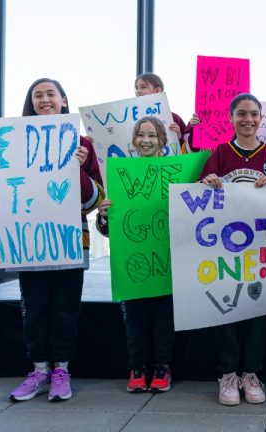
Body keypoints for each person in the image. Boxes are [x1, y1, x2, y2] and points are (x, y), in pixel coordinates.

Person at [0, 78, 105, 402]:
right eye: (38, 95)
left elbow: (94, 201)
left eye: (51, 94)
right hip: (27, 244)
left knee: (65, 308)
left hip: (68, 241)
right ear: (31, 102)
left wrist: (76, 168)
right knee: (34, 309)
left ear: (64, 100)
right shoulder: (8, 143)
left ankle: (62, 369)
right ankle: (39, 370)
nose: (45, 99)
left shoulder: (82, 144)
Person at [200, 93, 266, 406]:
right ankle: (228, 373)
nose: (248, 119)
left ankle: (250, 373)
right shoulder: (219, 152)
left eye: (254, 114)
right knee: (226, 307)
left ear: (261, 118)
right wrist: (208, 180)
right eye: (241, 114)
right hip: (225, 249)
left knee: (260, 308)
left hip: (262, 249)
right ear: (231, 118)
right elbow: (199, 195)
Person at [96, 117, 175, 393]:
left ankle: (163, 367)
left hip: (165, 262)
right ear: (133, 141)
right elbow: (106, 231)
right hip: (132, 263)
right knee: (135, 319)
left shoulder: (174, 173)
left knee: (164, 319)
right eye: (141, 135)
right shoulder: (120, 176)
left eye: (152, 136)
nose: (146, 140)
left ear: (162, 141)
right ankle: (138, 367)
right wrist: (104, 214)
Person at [133, 73, 201, 153]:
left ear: (157, 90)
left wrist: (178, 137)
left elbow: (187, 149)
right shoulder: (131, 118)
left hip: (167, 164)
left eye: (143, 87)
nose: (138, 91)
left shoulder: (173, 118)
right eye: (136, 88)